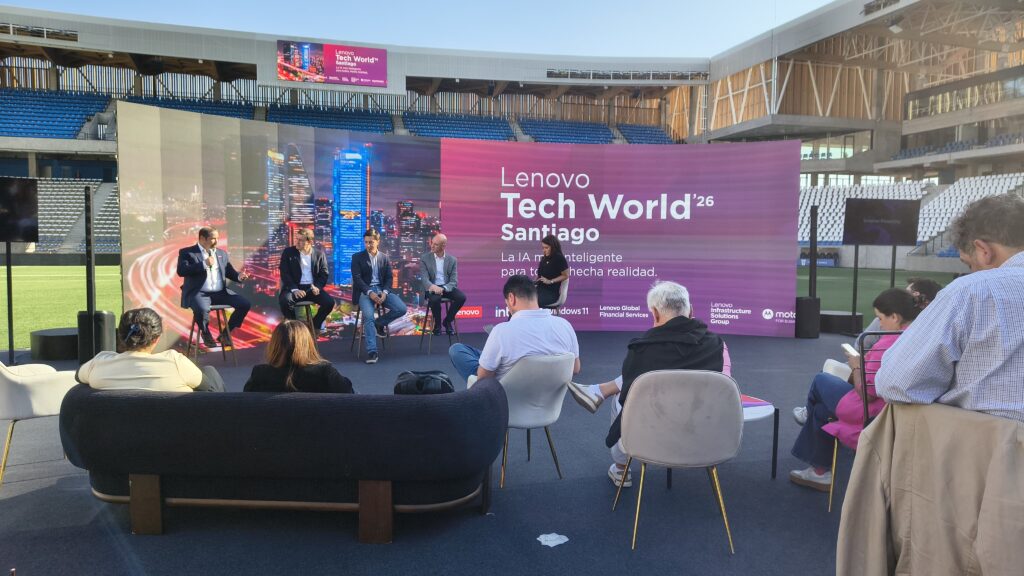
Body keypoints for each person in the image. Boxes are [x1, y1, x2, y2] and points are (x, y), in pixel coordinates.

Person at [876, 194, 1024, 423]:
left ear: (984, 251)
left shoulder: (971, 291)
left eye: (969, 264)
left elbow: (895, 383)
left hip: (990, 441)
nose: (972, 272)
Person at [565, 281, 724, 488]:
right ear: (691, 311)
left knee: (622, 397)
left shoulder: (642, 350)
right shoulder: (716, 344)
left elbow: (629, 401)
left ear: (655, 314)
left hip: (652, 438)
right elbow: (717, 384)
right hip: (704, 435)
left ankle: (621, 470)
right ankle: (599, 391)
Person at [789, 288, 919, 491]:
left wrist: (857, 365)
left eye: (880, 318)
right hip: (894, 411)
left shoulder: (888, 343)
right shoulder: (917, 338)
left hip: (872, 412)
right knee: (821, 411)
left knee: (821, 380)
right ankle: (819, 471)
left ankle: (807, 417)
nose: (879, 324)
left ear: (894, 317)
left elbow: (867, 393)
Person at [448, 274, 579, 383]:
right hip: (549, 400)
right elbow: (575, 368)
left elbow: (483, 378)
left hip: (505, 398)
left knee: (457, 349)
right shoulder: (565, 326)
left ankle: (491, 357)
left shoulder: (501, 331)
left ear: (511, 298)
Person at [76, 307, 224, 392]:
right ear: (156, 338)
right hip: (177, 434)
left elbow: (79, 376)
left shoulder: (98, 363)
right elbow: (209, 390)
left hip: (114, 434)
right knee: (210, 372)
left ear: (120, 335)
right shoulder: (175, 362)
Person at [177, 226, 251, 348]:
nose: (216, 241)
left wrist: (239, 277)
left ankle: (225, 334)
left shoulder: (221, 253)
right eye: (213, 238)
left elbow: (229, 272)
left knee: (244, 304)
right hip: (199, 293)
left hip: (220, 293)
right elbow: (181, 271)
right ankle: (206, 333)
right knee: (202, 309)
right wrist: (203, 264)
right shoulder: (187, 252)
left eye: (217, 238)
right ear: (202, 238)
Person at [244, 320, 354, 394]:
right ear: (307, 343)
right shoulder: (325, 372)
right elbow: (351, 397)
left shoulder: (259, 374)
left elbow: (246, 405)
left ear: (274, 344)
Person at [350, 228, 407, 364]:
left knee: (401, 309)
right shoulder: (357, 257)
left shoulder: (384, 257)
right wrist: (370, 292)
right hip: (365, 291)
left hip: (382, 290)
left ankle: (379, 323)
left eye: (371, 242)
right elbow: (357, 279)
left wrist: (385, 292)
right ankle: (372, 352)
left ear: (378, 241)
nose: (368, 245)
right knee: (368, 317)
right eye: (366, 242)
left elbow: (389, 278)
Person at [859, 277, 941, 351]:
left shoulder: (887, 320)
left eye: (907, 294)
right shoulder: (938, 327)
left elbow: (860, 346)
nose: (903, 297)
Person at [278, 228, 334, 332]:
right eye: (297, 239)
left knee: (329, 302)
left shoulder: (319, 254)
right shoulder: (288, 252)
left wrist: (317, 287)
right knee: (285, 301)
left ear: (310, 241)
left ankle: (314, 327)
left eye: (300, 240)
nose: (297, 242)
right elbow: (284, 273)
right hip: (294, 287)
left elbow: (324, 274)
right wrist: (295, 289)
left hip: (311, 288)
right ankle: (295, 329)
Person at [419, 233, 466, 335]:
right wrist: (433, 287)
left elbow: (454, 281)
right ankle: (437, 325)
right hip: (431, 287)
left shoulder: (452, 260)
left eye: (435, 244)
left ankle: (447, 321)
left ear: (443, 246)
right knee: (435, 299)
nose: (432, 246)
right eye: (432, 243)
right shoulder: (424, 258)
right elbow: (424, 278)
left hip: (445, 287)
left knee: (461, 297)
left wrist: (443, 288)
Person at [535, 234, 569, 308]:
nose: (544, 250)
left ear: (553, 247)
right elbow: (539, 275)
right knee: (521, 297)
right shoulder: (544, 259)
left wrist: (550, 281)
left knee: (528, 301)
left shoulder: (559, 258)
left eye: (546, 248)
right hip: (539, 289)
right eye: (543, 248)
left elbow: (566, 275)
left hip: (551, 294)